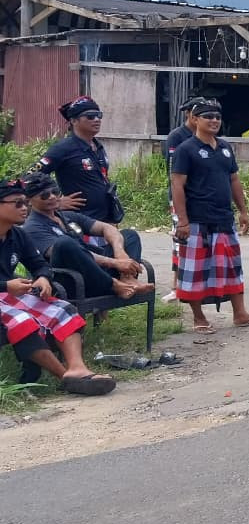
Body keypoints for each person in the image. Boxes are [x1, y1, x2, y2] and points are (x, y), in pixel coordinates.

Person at [0, 178, 115, 396]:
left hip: (11, 293)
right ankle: (63, 376)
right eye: (17, 203)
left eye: (25, 202)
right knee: (23, 321)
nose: (24, 208)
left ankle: (77, 369)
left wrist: (43, 277)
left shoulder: (17, 234)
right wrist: (6, 285)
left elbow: (38, 264)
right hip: (6, 291)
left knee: (62, 308)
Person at [171, 99, 249, 333]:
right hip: (197, 220)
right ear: (195, 119)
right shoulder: (185, 149)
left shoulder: (225, 147)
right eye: (208, 116)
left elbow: (234, 180)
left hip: (224, 219)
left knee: (232, 267)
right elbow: (177, 185)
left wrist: (243, 211)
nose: (214, 121)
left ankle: (240, 314)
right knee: (195, 271)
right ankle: (199, 318)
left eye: (217, 117)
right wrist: (183, 221)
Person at [20, 172, 153, 301]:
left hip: (96, 273)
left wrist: (120, 253)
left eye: (55, 191)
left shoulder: (66, 216)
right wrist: (115, 262)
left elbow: (106, 228)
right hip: (71, 279)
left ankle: (128, 278)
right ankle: (116, 286)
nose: (52, 197)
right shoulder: (32, 227)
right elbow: (71, 253)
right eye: (44, 195)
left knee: (129, 235)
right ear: (29, 201)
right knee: (65, 244)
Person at [33, 97, 120, 250]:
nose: (96, 120)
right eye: (90, 116)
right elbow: (31, 177)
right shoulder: (63, 148)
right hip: (81, 223)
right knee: (91, 265)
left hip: (104, 222)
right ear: (74, 121)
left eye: (99, 115)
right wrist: (57, 201)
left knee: (114, 263)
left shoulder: (97, 146)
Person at [163, 96, 205, 303]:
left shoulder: (205, 134)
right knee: (181, 240)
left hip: (202, 199)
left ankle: (197, 285)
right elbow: (175, 175)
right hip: (182, 197)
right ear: (188, 114)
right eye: (198, 114)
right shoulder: (177, 137)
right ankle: (176, 286)